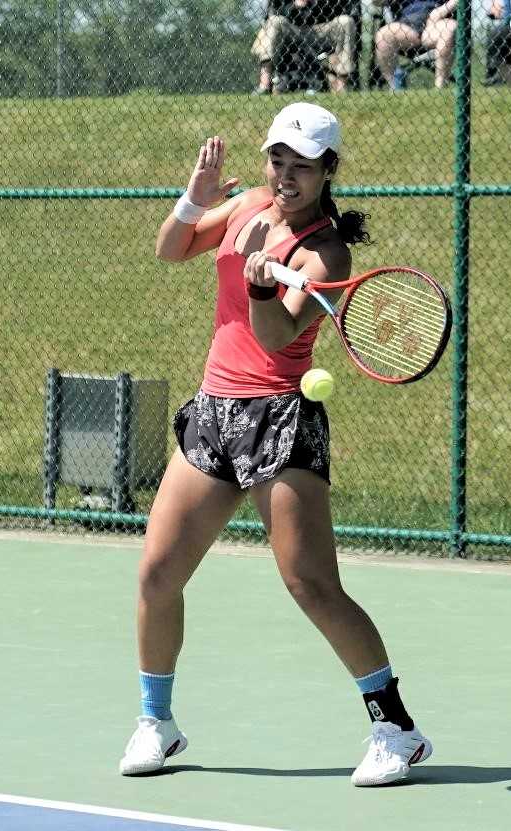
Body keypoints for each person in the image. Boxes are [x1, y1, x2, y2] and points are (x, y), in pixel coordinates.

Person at [118, 102, 433, 788]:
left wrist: (264, 282)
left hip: (280, 419)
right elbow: (170, 247)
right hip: (213, 411)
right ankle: (156, 722)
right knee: (156, 573)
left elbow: (271, 338)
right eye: (278, 160)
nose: (286, 176)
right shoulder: (246, 205)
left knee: (310, 583)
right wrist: (193, 200)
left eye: (302, 165)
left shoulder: (325, 252)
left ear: (328, 171)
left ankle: (396, 728)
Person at [251, 0, 357, 94]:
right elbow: (272, 13)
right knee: (274, 21)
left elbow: (345, 9)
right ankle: (264, 84)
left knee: (346, 21)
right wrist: (293, 5)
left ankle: (341, 87)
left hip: (322, 28)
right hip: (292, 28)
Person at [373, 0, 458, 89]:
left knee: (448, 30)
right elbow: (376, 2)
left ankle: (440, 88)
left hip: (437, 21)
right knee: (383, 35)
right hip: (408, 24)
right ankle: (395, 87)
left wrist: (443, 9)